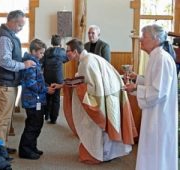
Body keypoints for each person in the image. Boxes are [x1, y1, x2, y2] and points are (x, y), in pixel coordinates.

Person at [64, 39, 137, 164]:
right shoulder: (91, 57)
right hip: (110, 94)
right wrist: (69, 83)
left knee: (95, 126)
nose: (67, 54)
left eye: (68, 51)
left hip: (102, 97)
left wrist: (77, 86)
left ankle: (99, 154)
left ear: (75, 51)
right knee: (110, 124)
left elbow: (92, 89)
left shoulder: (86, 63)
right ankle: (110, 153)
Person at [124, 24, 178, 170]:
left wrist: (135, 88)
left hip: (160, 115)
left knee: (156, 150)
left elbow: (159, 92)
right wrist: (138, 79)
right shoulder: (156, 57)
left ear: (156, 39)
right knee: (151, 148)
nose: (141, 39)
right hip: (154, 112)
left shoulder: (161, 58)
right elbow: (153, 82)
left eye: (144, 36)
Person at [0, 10, 36, 153]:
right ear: (12, 21)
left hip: (6, 83)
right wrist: (23, 65)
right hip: (3, 85)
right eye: (20, 25)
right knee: (0, 121)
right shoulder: (4, 37)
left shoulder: (9, 36)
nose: (21, 29)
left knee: (4, 120)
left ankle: (0, 146)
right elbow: (4, 61)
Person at [18, 39, 55, 160]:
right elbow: (31, 83)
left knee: (37, 124)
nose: (42, 55)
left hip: (37, 100)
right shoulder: (31, 64)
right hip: (32, 100)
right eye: (41, 53)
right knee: (33, 125)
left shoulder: (35, 62)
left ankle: (32, 146)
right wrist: (45, 89)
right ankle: (25, 150)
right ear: (33, 51)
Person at [41, 34, 69, 123]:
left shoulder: (46, 51)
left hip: (47, 76)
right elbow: (66, 60)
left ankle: (46, 115)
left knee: (47, 95)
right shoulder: (62, 51)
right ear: (60, 43)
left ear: (51, 42)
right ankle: (54, 119)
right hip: (57, 77)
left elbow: (42, 62)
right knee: (56, 98)